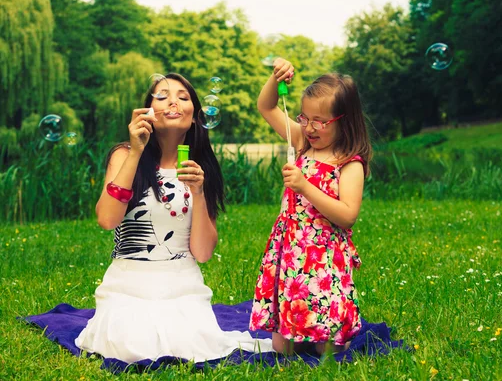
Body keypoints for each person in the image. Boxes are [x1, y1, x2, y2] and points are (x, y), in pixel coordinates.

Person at [75, 73, 273, 363]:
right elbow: (107, 219)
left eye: (183, 97)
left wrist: (199, 192)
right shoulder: (124, 155)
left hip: (182, 284)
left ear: (194, 118)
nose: (173, 101)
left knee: (189, 345)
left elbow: (203, 253)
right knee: (128, 344)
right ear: (147, 112)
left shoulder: (201, 169)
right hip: (128, 283)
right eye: (162, 95)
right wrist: (136, 151)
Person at [249, 59, 372, 355]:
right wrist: (275, 78)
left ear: (344, 120)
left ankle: (323, 338)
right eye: (304, 118)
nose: (310, 127)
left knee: (325, 347)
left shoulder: (348, 162)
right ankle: (290, 333)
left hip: (323, 257)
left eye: (320, 121)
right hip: (290, 249)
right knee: (281, 346)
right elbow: (266, 107)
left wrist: (305, 186)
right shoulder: (302, 142)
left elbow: (347, 215)